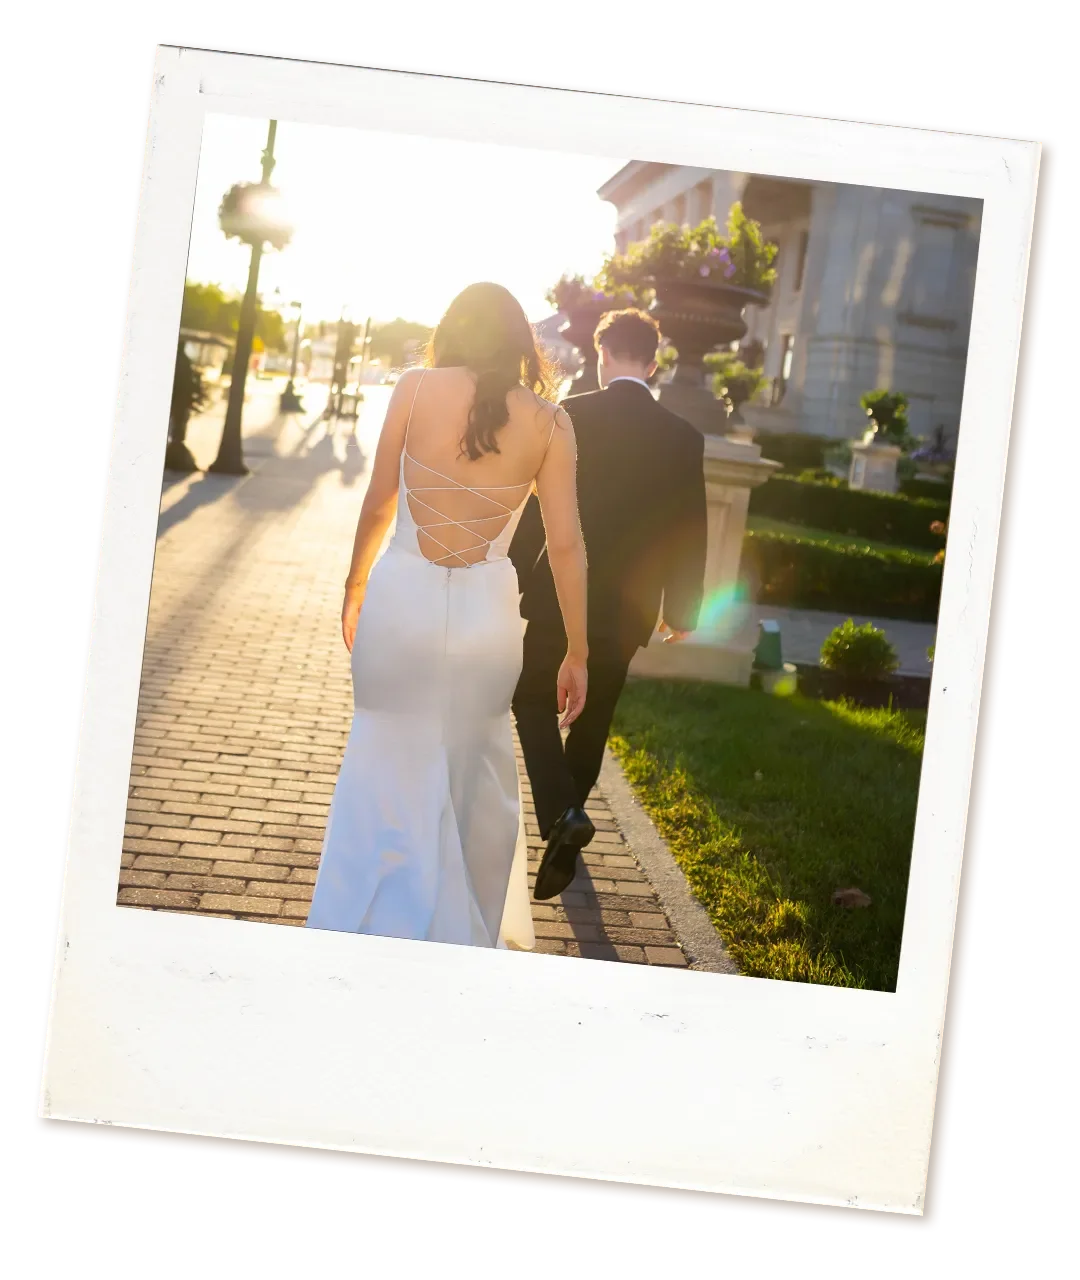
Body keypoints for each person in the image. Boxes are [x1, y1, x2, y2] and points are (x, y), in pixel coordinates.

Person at [305, 283, 588, 950]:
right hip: (487, 614)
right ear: (522, 341)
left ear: (451, 330)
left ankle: (366, 918)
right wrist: (577, 650)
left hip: (400, 597)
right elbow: (567, 545)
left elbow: (379, 500)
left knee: (382, 754)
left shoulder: (413, 389)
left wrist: (354, 584)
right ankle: (456, 931)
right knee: (476, 767)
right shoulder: (550, 423)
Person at [510, 308, 707, 902]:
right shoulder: (683, 436)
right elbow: (688, 528)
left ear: (601, 354)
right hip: (629, 607)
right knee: (594, 717)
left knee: (530, 697)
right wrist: (683, 610)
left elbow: (540, 504)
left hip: (558, 594)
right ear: (652, 363)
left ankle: (561, 814)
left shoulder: (573, 416)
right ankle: (567, 817)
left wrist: (511, 572)